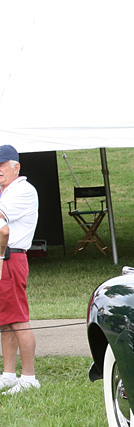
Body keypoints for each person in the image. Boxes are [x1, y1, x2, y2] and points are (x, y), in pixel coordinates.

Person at [0, 144, 40, 394]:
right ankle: (8, 374)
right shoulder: (8, 191)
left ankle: (29, 377)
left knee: (17, 319)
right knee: (5, 320)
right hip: (6, 256)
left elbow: (2, 228)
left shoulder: (22, 191)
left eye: (2, 166)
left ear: (16, 167)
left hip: (10, 256)